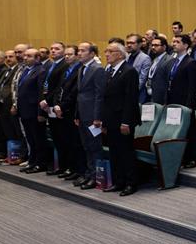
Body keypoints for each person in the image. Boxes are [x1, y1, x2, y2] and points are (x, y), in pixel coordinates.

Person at [101, 41, 140, 196]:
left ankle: (131, 183)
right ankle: (118, 181)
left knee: (126, 152)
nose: (106, 54)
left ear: (119, 54)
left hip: (123, 120)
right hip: (111, 120)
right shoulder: (108, 71)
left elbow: (131, 99)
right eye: (106, 51)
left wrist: (126, 122)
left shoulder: (129, 71)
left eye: (110, 51)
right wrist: (104, 121)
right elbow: (106, 99)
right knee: (114, 153)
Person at [73, 43, 106, 189]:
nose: (79, 53)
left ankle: (96, 176)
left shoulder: (97, 69)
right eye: (78, 51)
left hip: (93, 116)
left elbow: (100, 95)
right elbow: (79, 94)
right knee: (86, 146)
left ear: (92, 54)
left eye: (83, 51)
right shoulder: (82, 68)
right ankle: (89, 173)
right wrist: (77, 114)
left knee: (95, 147)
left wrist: (98, 117)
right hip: (82, 114)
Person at [167, 34, 196, 168]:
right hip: (173, 102)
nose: (174, 43)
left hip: (185, 103)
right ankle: (182, 157)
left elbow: (193, 86)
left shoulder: (191, 62)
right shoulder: (173, 61)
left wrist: (189, 105)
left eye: (177, 42)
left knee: (190, 131)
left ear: (186, 45)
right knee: (177, 131)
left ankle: (194, 158)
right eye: (173, 41)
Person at [52, 45, 84, 181]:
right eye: (65, 54)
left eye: (70, 54)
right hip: (61, 110)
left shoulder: (80, 69)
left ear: (76, 56)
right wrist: (56, 104)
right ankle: (69, 167)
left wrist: (62, 106)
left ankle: (77, 169)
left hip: (71, 110)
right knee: (65, 141)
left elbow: (74, 92)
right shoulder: (66, 69)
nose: (66, 57)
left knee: (74, 142)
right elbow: (58, 89)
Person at [38, 42, 69, 174]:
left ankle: (65, 166)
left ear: (64, 51)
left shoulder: (65, 65)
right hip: (49, 107)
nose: (53, 51)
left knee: (63, 138)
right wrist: (43, 100)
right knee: (56, 138)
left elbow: (58, 87)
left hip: (56, 105)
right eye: (51, 49)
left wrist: (48, 100)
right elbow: (45, 85)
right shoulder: (51, 65)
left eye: (57, 49)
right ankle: (60, 166)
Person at [16, 49, 47, 173]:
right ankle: (32, 161)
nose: (25, 58)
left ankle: (40, 163)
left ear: (37, 58)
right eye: (25, 56)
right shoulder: (26, 70)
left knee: (38, 139)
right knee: (30, 139)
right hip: (25, 110)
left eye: (29, 56)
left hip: (34, 111)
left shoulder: (41, 71)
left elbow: (41, 93)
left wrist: (41, 113)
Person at [124, 34, 151, 103]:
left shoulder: (145, 58)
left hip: (137, 95)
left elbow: (142, 79)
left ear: (140, 44)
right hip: (125, 94)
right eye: (127, 43)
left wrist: (130, 92)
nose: (129, 45)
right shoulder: (127, 57)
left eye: (132, 43)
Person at [146, 36, 171, 103]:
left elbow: (168, 81)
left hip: (162, 98)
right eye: (152, 45)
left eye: (156, 45)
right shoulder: (154, 59)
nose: (153, 47)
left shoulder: (169, 60)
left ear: (164, 47)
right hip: (152, 95)